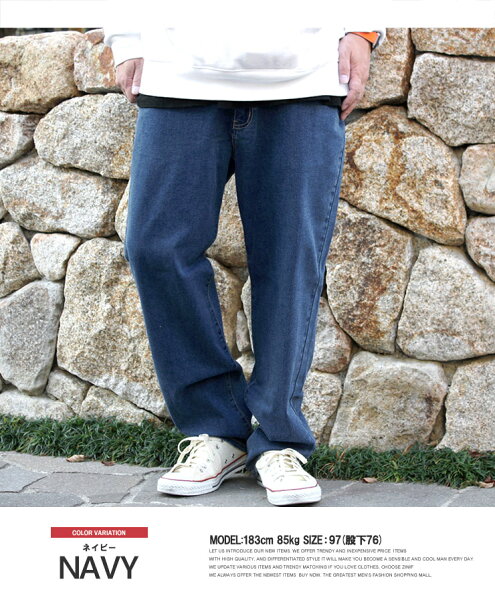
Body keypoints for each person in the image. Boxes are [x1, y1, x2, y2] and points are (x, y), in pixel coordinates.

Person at [103, 3, 385, 506]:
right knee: (154, 246)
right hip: (178, 68)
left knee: (288, 259)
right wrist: (126, 37)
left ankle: (279, 438)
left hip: (301, 74)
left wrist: (363, 29)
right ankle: (216, 428)